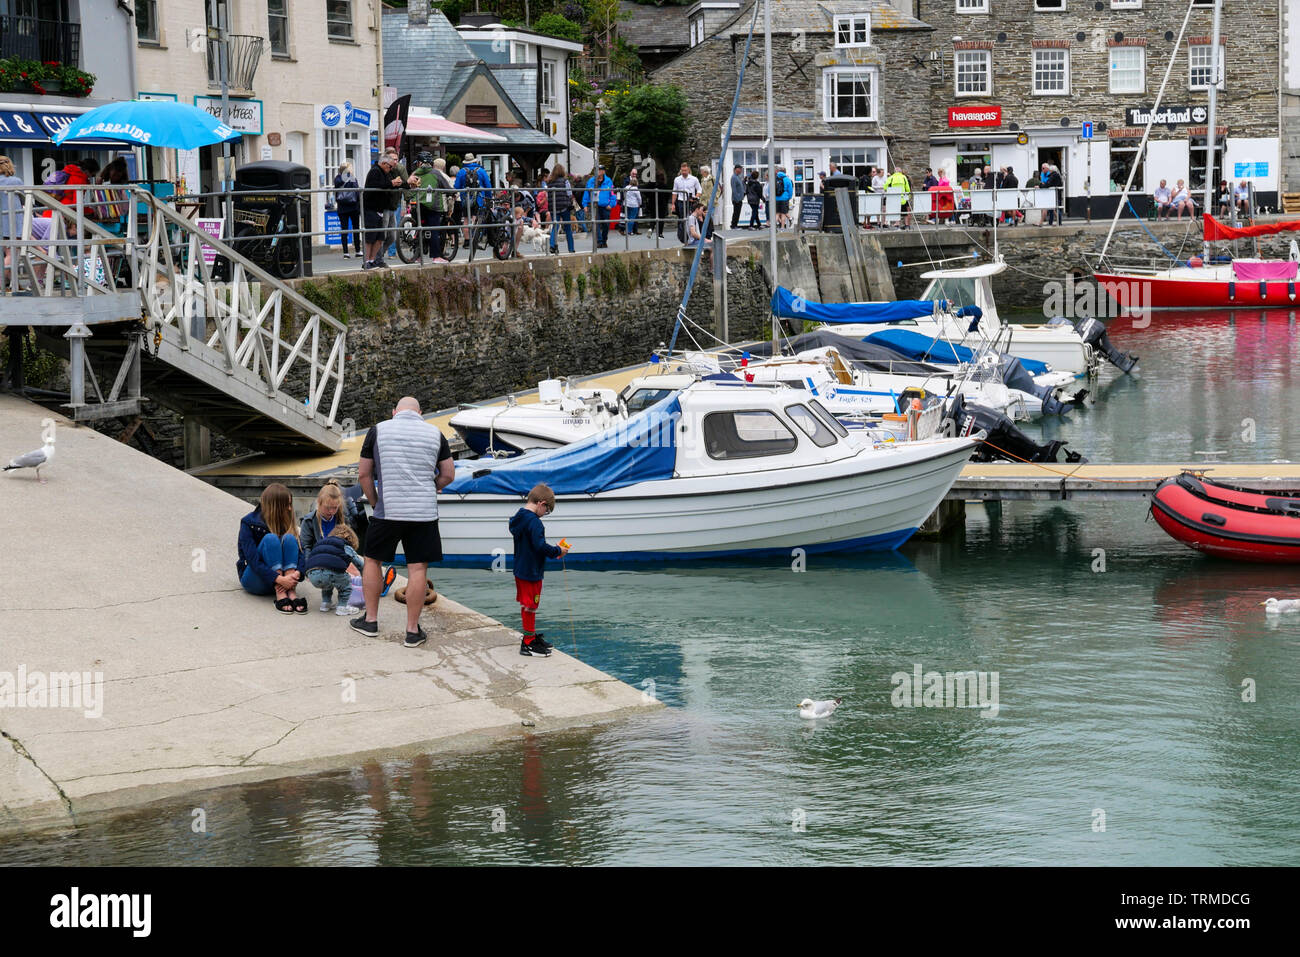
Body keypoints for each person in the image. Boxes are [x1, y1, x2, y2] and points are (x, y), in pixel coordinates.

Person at [352, 396, 456, 648]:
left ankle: (371, 621)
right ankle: (411, 631)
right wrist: (431, 488)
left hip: (388, 510)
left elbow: (364, 473)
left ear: (394, 412)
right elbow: (449, 474)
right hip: (423, 514)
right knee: (417, 569)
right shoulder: (435, 433)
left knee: (373, 560)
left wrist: (376, 502)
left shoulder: (378, 430)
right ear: (420, 412)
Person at [509, 483, 569, 657]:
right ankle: (528, 644)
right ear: (541, 503)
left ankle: (530, 635)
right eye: (547, 510)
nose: (545, 514)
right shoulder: (535, 523)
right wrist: (558, 551)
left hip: (521, 569)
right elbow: (540, 546)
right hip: (531, 572)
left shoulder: (519, 517)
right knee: (531, 606)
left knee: (527, 604)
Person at [237, 483, 307, 613]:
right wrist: (280, 580)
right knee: (271, 539)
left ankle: (291, 592)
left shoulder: (286, 522)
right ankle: (281, 594)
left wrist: (297, 573)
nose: (290, 509)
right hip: (255, 579)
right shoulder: (248, 523)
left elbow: (302, 553)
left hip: (287, 581)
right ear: (276, 506)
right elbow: (253, 561)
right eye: (287, 505)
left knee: (291, 538)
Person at [305, 525, 367, 615]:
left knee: (327, 582)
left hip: (312, 574)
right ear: (349, 538)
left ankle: (326, 603)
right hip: (330, 573)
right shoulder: (344, 545)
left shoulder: (321, 543)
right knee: (346, 584)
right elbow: (360, 564)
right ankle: (342, 607)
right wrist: (365, 578)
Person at [299, 479, 360, 555]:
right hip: (316, 560)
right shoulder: (309, 521)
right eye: (327, 507)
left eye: (335, 508)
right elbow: (306, 549)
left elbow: (350, 548)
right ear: (318, 503)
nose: (331, 511)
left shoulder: (344, 520)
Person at [362, 153, 402, 268]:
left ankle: (373, 260)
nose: (390, 169)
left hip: (381, 208)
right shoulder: (375, 171)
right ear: (384, 164)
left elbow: (388, 184)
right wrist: (391, 183)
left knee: (380, 238)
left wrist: (405, 184)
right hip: (371, 208)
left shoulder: (385, 173)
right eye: (389, 166)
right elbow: (377, 185)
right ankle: (366, 262)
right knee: (370, 237)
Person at [453, 153, 493, 239]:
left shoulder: (461, 171)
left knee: (466, 220)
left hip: (465, 199)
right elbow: (488, 186)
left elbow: (456, 187)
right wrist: (489, 198)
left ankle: (467, 241)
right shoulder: (481, 171)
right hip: (479, 198)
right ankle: (475, 240)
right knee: (476, 218)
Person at [333, 160, 362, 259]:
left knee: (348, 229)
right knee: (352, 229)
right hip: (350, 207)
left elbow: (337, 186)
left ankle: (350, 251)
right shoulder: (349, 178)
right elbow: (357, 192)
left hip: (345, 207)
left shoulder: (338, 178)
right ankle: (352, 251)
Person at [547, 163, 576, 254]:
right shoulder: (565, 181)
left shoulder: (549, 182)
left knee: (555, 226)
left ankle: (552, 245)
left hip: (553, 208)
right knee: (567, 228)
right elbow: (569, 193)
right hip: (564, 207)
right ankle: (571, 249)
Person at [584, 164, 615, 247]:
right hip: (595, 206)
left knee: (606, 224)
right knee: (596, 224)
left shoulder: (608, 181)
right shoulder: (591, 181)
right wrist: (585, 204)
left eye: (600, 170)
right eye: (597, 170)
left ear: (603, 171)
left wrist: (611, 204)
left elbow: (612, 194)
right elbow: (586, 193)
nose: (598, 172)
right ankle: (599, 241)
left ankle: (604, 240)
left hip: (606, 206)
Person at [672, 162, 701, 244]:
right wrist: (673, 204)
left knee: (690, 218)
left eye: (685, 170)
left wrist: (696, 197)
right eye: (682, 171)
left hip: (691, 201)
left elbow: (699, 189)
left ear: (688, 170)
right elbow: (674, 192)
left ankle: (692, 237)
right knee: (682, 219)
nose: (684, 172)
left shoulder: (694, 179)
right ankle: (683, 238)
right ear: (680, 170)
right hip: (681, 201)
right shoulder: (677, 179)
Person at [623, 169, 642, 235]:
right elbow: (639, 198)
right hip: (634, 205)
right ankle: (629, 231)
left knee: (627, 217)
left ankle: (628, 230)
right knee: (632, 218)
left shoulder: (626, 187)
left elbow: (624, 195)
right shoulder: (636, 189)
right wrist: (640, 204)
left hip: (627, 204)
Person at [729, 164, 745, 229]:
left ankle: (735, 225)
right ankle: (734, 225)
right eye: (740, 169)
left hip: (739, 198)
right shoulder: (734, 177)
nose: (741, 170)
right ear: (736, 169)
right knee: (736, 212)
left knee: (737, 212)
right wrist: (737, 198)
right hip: (736, 199)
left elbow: (740, 187)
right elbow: (734, 189)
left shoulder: (737, 177)